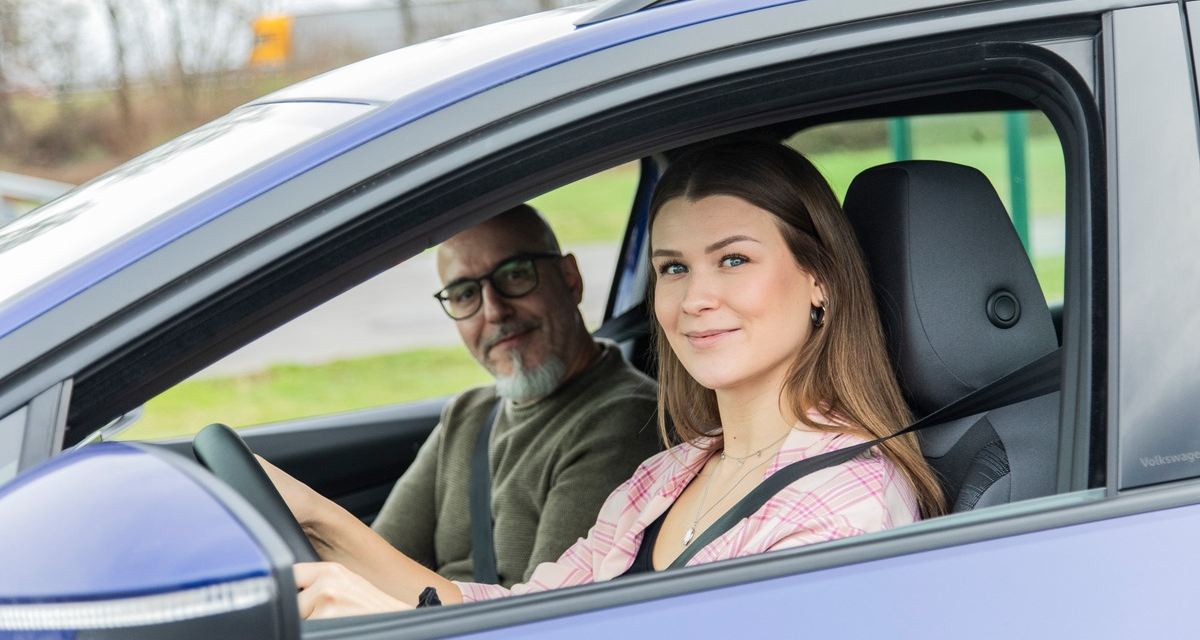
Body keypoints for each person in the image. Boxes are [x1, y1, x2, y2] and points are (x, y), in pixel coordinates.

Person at [262, 139, 946, 619]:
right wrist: (317, 517)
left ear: (818, 277)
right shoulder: (670, 475)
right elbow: (533, 611)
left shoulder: (842, 505)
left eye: (733, 259)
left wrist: (384, 618)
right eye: (674, 268)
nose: (695, 298)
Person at [369, 205, 661, 586]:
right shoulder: (468, 412)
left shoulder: (625, 419)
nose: (493, 310)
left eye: (515, 274)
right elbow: (372, 559)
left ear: (570, 279)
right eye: (464, 293)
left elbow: (544, 614)